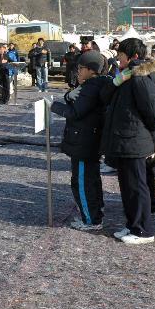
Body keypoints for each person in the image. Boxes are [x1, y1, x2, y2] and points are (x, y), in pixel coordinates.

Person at [101, 38, 155, 245]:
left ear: (133, 57)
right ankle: (132, 224)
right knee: (128, 187)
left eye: (121, 57)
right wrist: (116, 81)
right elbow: (105, 97)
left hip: (135, 141)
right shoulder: (126, 76)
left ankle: (143, 230)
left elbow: (154, 114)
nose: (118, 61)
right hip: (126, 140)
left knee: (137, 187)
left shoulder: (140, 78)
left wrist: (150, 140)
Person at [51, 51, 109, 230]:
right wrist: (69, 96)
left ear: (92, 70)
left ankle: (90, 219)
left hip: (84, 140)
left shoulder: (92, 87)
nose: (78, 72)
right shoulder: (97, 84)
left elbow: (76, 112)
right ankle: (95, 211)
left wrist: (53, 106)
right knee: (91, 178)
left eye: (81, 68)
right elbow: (77, 102)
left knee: (83, 182)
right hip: (88, 139)